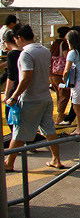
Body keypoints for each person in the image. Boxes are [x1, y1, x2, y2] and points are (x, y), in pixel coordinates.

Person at [4, 24, 66, 172]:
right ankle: (56, 160)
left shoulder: (26, 54)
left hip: (30, 99)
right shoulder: (44, 51)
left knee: (18, 132)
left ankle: (9, 163)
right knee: (49, 129)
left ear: (19, 38)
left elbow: (26, 79)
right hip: (45, 96)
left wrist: (13, 97)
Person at [2, 30, 22, 133]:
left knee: (10, 114)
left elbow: (10, 75)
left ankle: (17, 142)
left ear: (6, 42)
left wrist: (6, 95)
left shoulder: (11, 54)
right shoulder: (24, 52)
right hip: (25, 87)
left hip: (15, 88)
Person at [50, 26, 70, 124]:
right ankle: (60, 117)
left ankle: (60, 114)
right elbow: (66, 56)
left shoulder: (54, 43)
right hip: (60, 74)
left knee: (59, 94)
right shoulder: (64, 44)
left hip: (52, 73)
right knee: (65, 94)